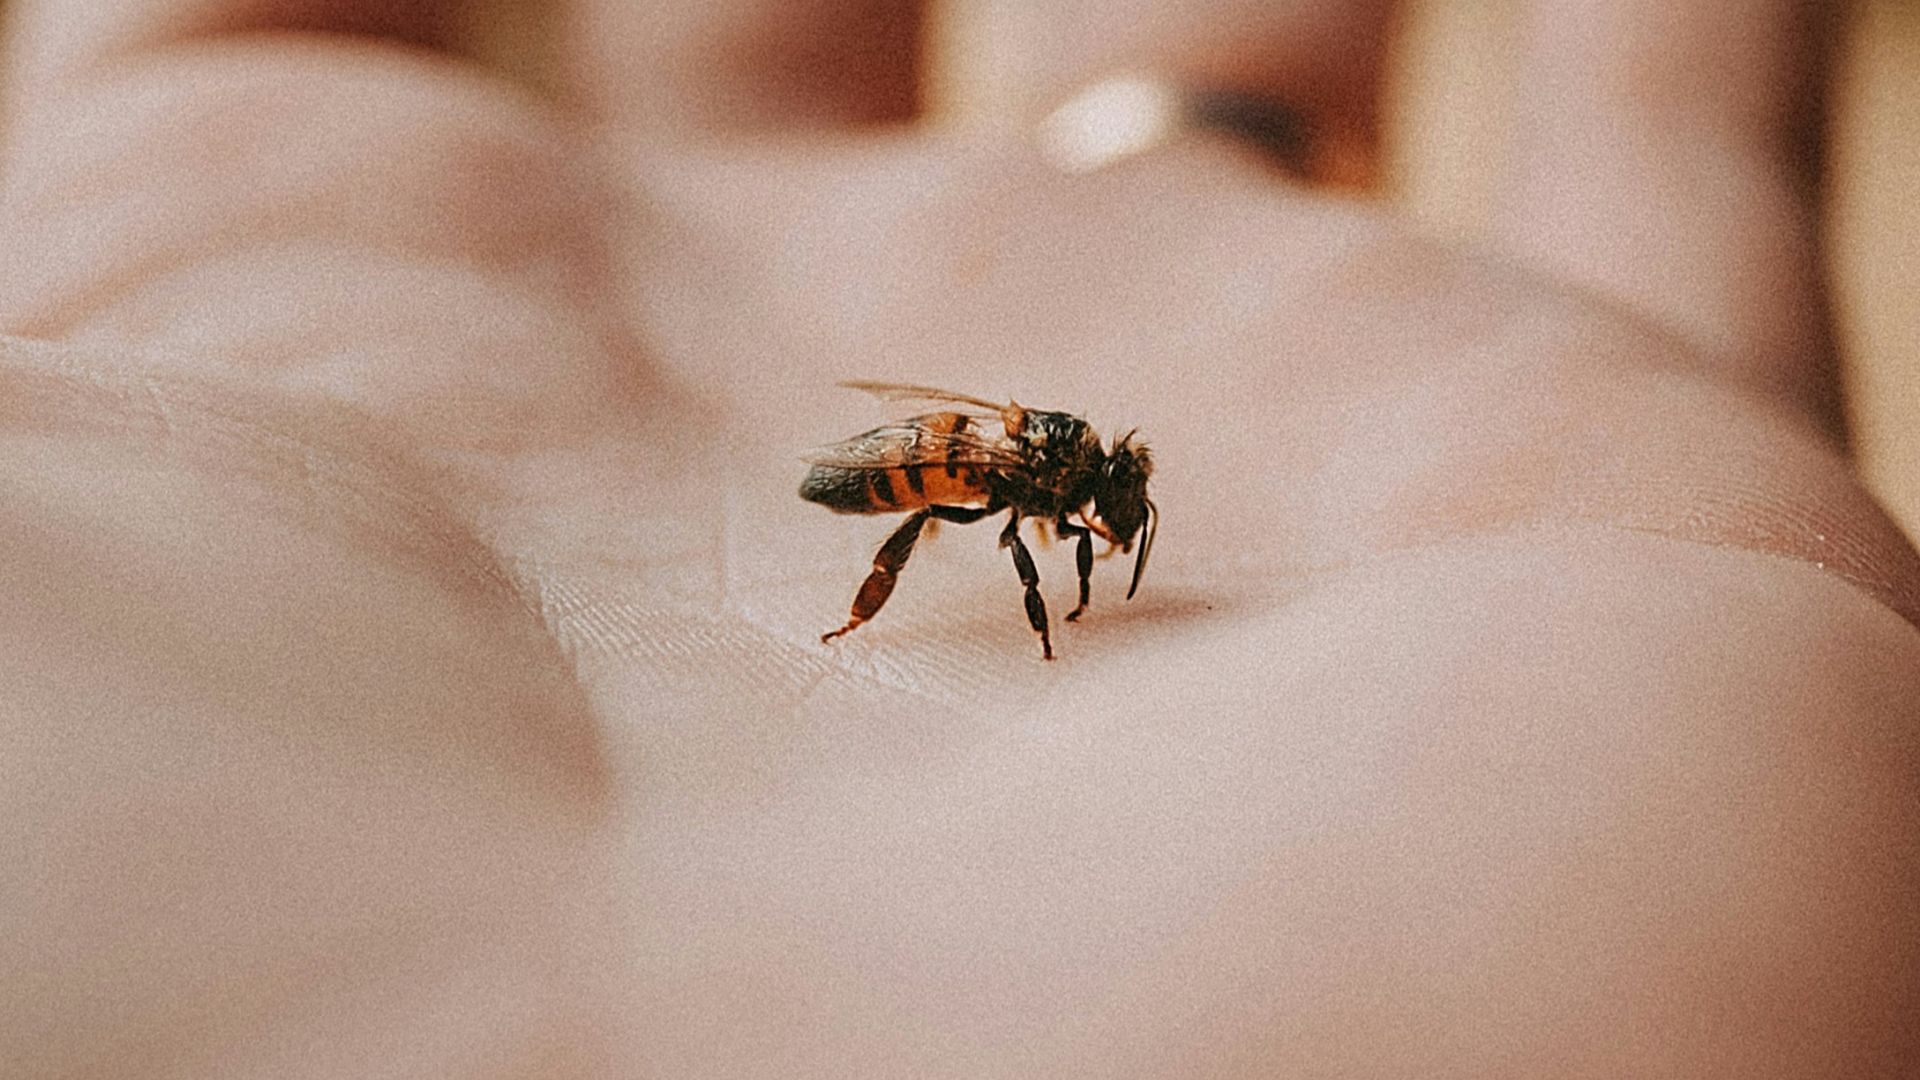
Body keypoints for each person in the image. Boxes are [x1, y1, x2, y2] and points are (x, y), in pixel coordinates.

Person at [2, 0, 1914, 1074]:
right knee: (948, 531)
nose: (1110, 525)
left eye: (1107, 512)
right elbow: (972, 506)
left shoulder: (1069, 471)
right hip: (894, 482)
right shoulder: (1020, 484)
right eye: (1110, 511)